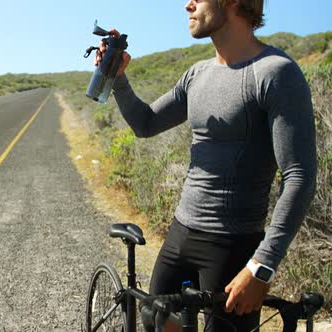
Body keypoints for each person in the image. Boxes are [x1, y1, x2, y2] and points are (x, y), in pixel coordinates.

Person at [95, 0, 317, 331]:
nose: (188, 5)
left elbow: (299, 177)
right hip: (181, 232)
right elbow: (145, 123)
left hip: (232, 245)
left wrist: (261, 266)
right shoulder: (197, 74)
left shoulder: (275, 73)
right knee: (154, 318)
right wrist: (119, 79)